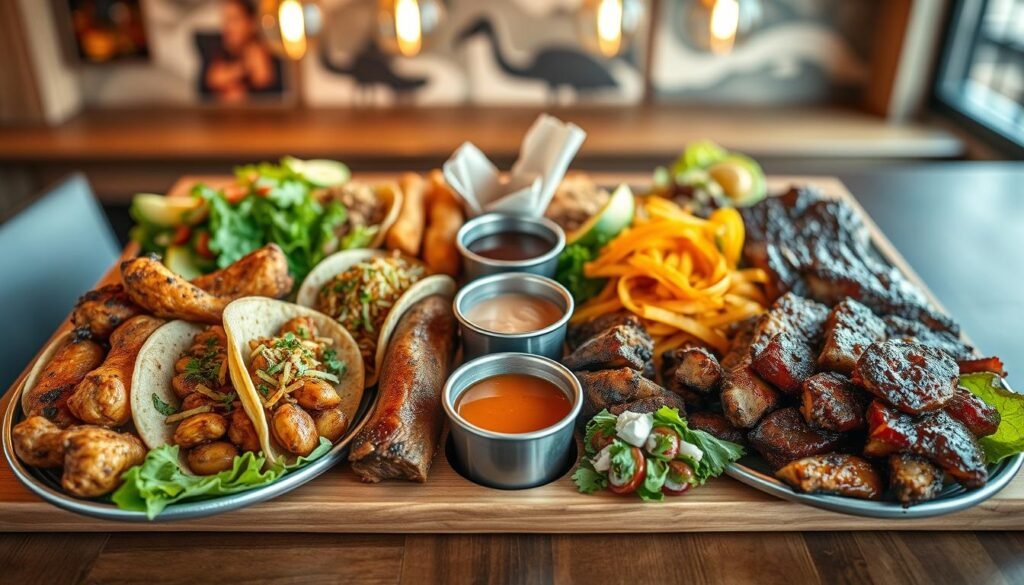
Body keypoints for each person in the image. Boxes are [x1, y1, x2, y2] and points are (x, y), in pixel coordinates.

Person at [199, 0, 283, 102]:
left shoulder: (268, 52)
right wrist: (244, 68)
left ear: (251, 23)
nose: (228, 27)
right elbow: (210, 81)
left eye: (235, 20)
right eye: (225, 20)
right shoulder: (215, 49)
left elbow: (270, 94)